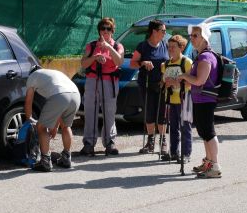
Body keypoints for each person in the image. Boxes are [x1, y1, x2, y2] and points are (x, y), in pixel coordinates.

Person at [178, 23, 222, 178]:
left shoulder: (205, 57)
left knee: (208, 132)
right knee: (204, 132)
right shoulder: (201, 56)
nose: (192, 38)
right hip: (200, 99)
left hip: (206, 99)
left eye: (195, 35)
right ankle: (209, 162)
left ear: (204, 38)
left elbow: (199, 80)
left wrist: (184, 76)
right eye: (191, 35)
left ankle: (215, 165)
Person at [80, 17, 124, 156]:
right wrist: (95, 57)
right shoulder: (92, 45)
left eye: (108, 29)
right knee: (90, 111)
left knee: (109, 112)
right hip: (93, 80)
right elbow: (84, 63)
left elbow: (119, 61)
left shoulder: (117, 46)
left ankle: (109, 142)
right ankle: (88, 143)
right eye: (103, 28)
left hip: (109, 81)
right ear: (99, 30)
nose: (105, 31)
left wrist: (108, 47)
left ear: (112, 31)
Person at [25, 65, 81, 172]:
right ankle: (66, 158)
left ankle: (45, 161)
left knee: (41, 127)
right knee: (66, 126)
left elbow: (28, 100)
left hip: (60, 95)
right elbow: (59, 109)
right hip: (75, 95)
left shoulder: (33, 76)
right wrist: (55, 127)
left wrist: (29, 118)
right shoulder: (52, 74)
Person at [130, 19, 169, 154]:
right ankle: (150, 141)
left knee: (162, 113)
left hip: (162, 84)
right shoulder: (142, 46)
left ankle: (163, 141)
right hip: (146, 83)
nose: (165, 33)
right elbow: (133, 63)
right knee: (150, 112)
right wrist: (143, 62)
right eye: (163, 30)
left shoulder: (165, 45)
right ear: (154, 31)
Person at [161, 35, 193, 163]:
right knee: (173, 127)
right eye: (169, 47)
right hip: (170, 99)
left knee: (185, 127)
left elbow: (192, 83)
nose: (170, 49)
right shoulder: (166, 64)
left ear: (181, 47)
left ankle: (186, 154)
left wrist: (175, 82)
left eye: (174, 47)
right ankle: (174, 152)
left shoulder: (187, 62)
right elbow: (163, 81)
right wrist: (164, 83)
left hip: (185, 100)